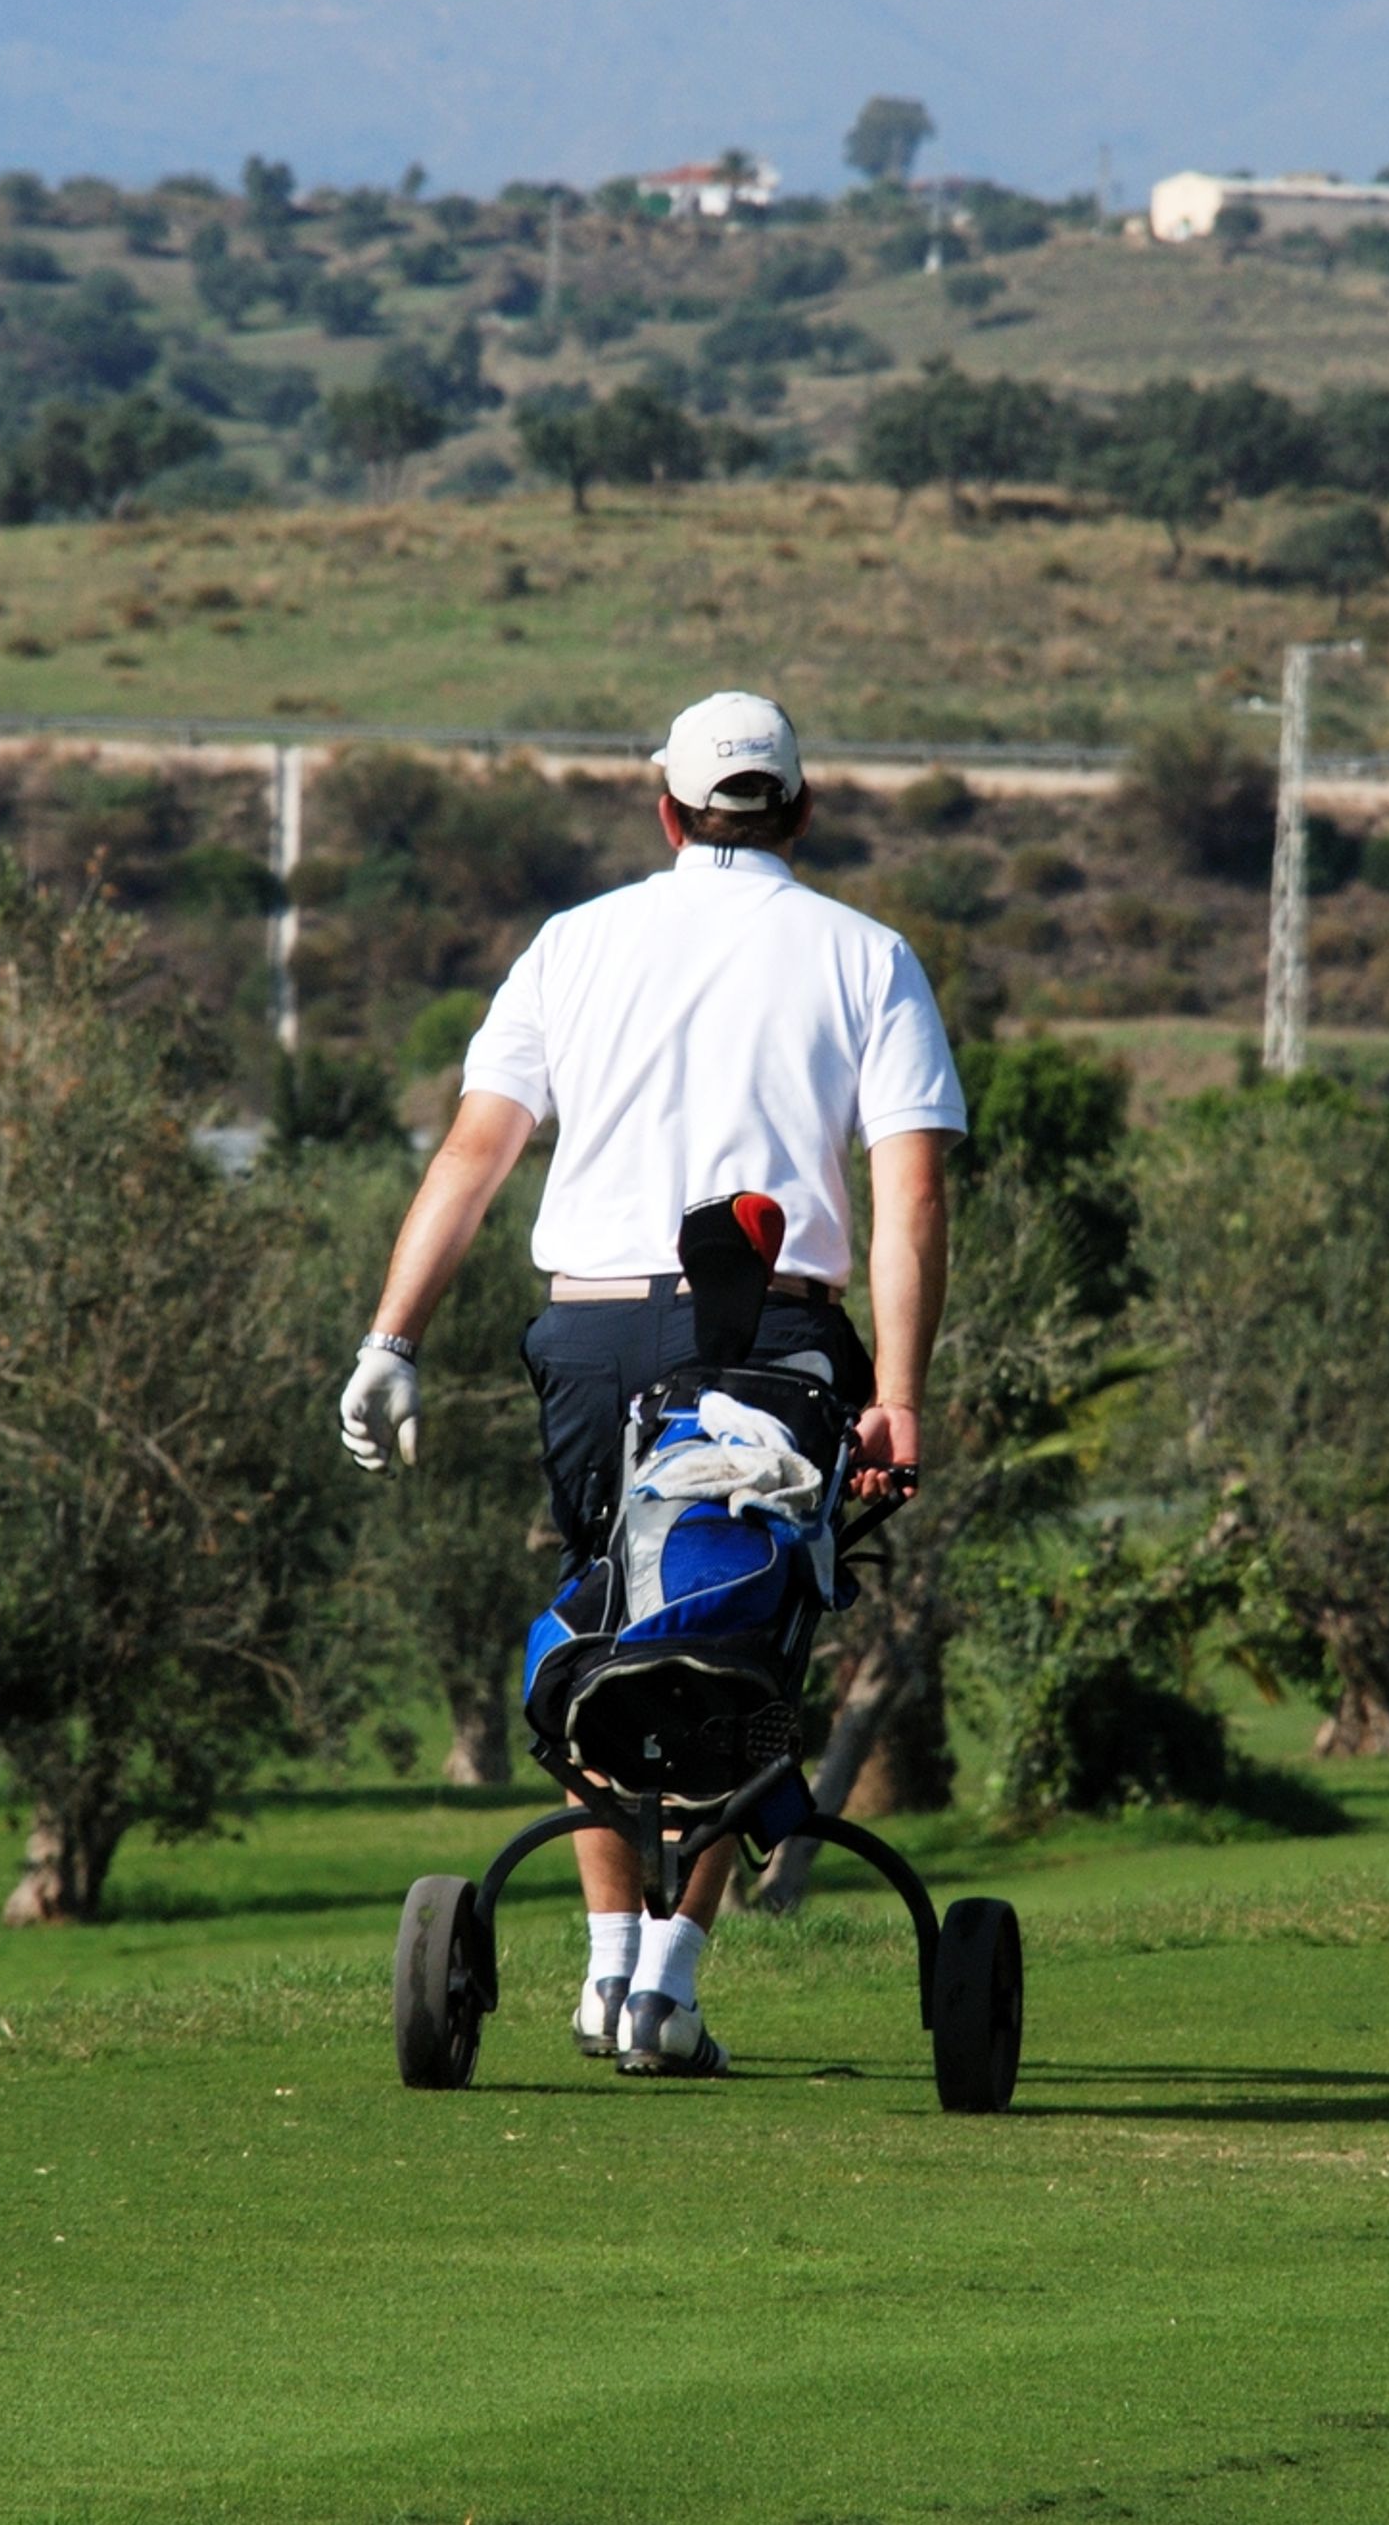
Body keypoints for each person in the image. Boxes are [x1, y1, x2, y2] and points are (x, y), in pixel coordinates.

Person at [337, 690, 964, 2077]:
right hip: (773, 1339)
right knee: (752, 1624)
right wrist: (902, 1393)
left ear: (666, 807)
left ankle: (610, 1968)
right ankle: (665, 1988)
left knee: (602, 1607)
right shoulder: (869, 957)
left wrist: (393, 1339)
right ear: (798, 809)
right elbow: (908, 1197)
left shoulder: (574, 946)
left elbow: (475, 1157)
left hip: (591, 1336)